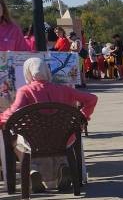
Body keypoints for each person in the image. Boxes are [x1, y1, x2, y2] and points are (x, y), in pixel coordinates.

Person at [0, 57, 97, 192]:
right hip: (64, 139)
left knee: (15, 141)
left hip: (35, 141)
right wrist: (83, 118)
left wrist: (2, 119)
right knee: (65, 141)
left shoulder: (25, 91)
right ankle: (62, 168)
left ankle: (31, 171)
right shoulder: (64, 89)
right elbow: (92, 98)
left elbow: (13, 112)